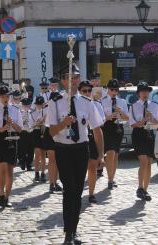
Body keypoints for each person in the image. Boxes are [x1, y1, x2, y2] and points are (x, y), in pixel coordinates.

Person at [47, 66, 104, 244]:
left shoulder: (87, 102)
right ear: (63, 81)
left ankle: (73, 229)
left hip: (81, 149)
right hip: (63, 149)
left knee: (78, 190)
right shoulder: (55, 102)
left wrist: (101, 155)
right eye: (68, 77)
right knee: (69, 189)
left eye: (75, 77)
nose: (72, 80)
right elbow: (51, 131)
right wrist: (63, 123)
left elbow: (96, 130)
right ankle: (68, 232)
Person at [0, 85, 22, 207]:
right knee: (2, 167)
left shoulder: (16, 110)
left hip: (12, 138)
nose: (5, 98)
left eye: (7, 96)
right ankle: (1, 193)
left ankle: (7, 196)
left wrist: (13, 123)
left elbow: (20, 129)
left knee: (10, 170)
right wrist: (1, 129)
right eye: (3, 96)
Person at [129, 82, 158, 201]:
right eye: (143, 91)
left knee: (148, 162)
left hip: (149, 134)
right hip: (138, 134)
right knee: (143, 161)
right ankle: (139, 187)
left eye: (147, 91)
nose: (145, 93)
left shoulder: (154, 105)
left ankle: (145, 190)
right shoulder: (133, 106)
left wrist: (152, 119)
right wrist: (143, 120)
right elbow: (132, 124)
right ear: (139, 93)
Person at [79, 80, 105, 203]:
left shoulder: (96, 105)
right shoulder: (75, 104)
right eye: (85, 91)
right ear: (79, 92)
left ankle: (91, 193)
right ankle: (77, 191)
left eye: (89, 91)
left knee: (92, 166)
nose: (88, 93)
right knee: (80, 168)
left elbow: (100, 126)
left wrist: (101, 154)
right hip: (80, 139)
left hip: (92, 137)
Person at [100, 79, 129, 190]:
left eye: (116, 90)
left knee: (116, 155)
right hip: (107, 127)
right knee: (110, 153)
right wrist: (108, 116)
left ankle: (112, 177)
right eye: (112, 89)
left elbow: (127, 118)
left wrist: (120, 112)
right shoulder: (102, 101)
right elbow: (98, 118)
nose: (114, 92)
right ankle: (110, 180)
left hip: (118, 127)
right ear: (107, 89)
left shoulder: (122, 101)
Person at [30, 96, 47, 182]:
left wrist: (44, 121)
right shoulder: (32, 113)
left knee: (43, 154)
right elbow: (31, 126)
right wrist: (37, 123)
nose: (39, 106)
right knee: (37, 154)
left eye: (40, 104)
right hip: (36, 132)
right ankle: (37, 173)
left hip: (43, 132)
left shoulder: (46, 112)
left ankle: (43, 173)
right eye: (38, 104)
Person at [18, 98, 34, 171]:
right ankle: (22, 162)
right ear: (22, 105)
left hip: (30, 132)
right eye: (24, 105)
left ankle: (29, 164)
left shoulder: (32, 112)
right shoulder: (19, 112)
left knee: (31, 149)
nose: (26, 107)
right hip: (23, 132)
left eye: (27, 105)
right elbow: (18, 122)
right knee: (23, 149)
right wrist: (23, 122)